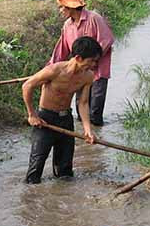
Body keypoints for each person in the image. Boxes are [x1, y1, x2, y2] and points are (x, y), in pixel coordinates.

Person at [23, 36, 101, 184]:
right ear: (78, 57)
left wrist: (87, 129)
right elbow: (27, 86)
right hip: (45, 120)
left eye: (95, 61)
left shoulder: (88, 77)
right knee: (35, 170)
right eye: (91, 61)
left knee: (65, 172)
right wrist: (32, 115)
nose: (94, 65)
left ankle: (63, 200)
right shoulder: (54, 70)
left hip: (66, 120)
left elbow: (83, 103)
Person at [48, 0, 115, 125]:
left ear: (71, 6)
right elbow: (62, 49)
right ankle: (84, 139)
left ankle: (95, 137)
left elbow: (106, 39)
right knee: (81, 107)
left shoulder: (94, 19)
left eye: (62, 7)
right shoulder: (67, 25)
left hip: (98, 72)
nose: (60, 10)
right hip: (80, 73)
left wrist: (92, 60)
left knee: (95, 110)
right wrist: (49, 69)